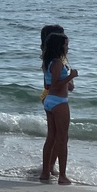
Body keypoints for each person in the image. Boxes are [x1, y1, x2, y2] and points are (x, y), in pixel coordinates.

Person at [41, 31, 77, 185]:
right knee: (62, 139)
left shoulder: (49, 62)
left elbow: (49, 84)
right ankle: (62, 176)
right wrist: (71, 76)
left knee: (52, 137)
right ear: (60, 46)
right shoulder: (57, 63)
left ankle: (45, 173)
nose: (68, 48)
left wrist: (68, 83)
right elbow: (55, 85)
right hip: (58, 102)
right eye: (66, 45)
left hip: (50, 101)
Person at [39, 24, 65, 178]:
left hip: (47, 95)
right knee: (58, 136)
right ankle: (50, 167)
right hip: (53, 95)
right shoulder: (55, 57)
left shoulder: (46, 54)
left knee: (54, 135)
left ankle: (48, 167)